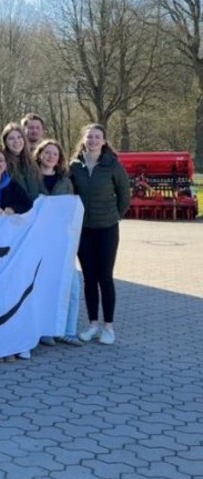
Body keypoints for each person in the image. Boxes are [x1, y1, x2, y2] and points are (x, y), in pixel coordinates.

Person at [68, 123, 131, 345]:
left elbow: (125, 194)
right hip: (83, 231)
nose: (93, 140)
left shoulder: (112, 165)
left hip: (107, 229)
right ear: (83, 140)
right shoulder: (74, 166)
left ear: (104, 141)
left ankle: (108, 327)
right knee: (89, 278)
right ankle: (93, 324)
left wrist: (114, 215)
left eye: (97, 137)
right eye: (89, 137)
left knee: (105, 277)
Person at [0, 147, 33, 362]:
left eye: (0, 160)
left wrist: (11, 209)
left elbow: (28, 205)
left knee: (8, 293)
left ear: (6, 164)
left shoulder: (14, 186)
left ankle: (9, 343)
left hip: (10, 251)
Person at [34, 139, 81, 346]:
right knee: (43, 286)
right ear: (40, 154)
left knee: (72, 286)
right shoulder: (32, 178)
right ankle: (45, 330)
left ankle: (68, 330)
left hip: (61, 241)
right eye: (47, 152)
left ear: (59, 158)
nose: (51, 156)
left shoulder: (65, 181)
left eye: (55, 153)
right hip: (37, 240)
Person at [0, 148, 33, 218]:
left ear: (5, 165)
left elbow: (28, 204)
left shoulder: (13, 185)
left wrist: (14, 209)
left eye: (0, 160)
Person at [1, 122, 41, 202]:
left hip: (35, 211)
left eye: (19, 137)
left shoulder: (32, 162)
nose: (16, 141)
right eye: (11, 138)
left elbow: (40, 187)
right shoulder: (2, 164)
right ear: (5, 142)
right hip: (14, 212)